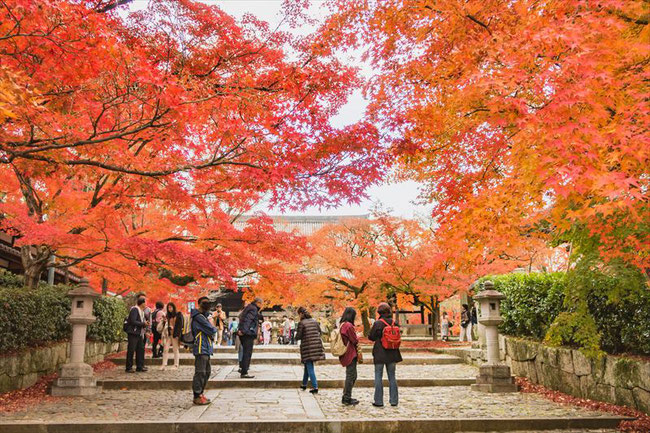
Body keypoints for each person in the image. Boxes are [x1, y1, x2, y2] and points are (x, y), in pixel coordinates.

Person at [368, 302, 402, 407]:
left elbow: (371, 337)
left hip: (380, 352)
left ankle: (379, 401)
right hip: (392, 352)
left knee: (378, 376)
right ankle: (394, 400)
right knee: (392, 377)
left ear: (379, 312)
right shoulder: (394, 322)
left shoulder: (378, 323)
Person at [191, 296, 218, 405]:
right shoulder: (198, 317)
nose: (207, 305)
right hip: (201, 346)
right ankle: (197, 395)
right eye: (204, 303)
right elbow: (211, 329)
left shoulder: (204, 316)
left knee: (207, 372)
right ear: (199, 304)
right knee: (200, 372)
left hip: (206, 347)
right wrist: (212, 325)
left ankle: (200, 393)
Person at [295, 307, 325, 393]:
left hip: (307, 347)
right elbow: (320, 332)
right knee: (307, 365)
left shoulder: (302, 323)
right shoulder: (314, 321)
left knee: (309, 366)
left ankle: (315, 386)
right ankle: (304, 384)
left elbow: (298, 336)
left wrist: (296, 336)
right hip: (316, 346)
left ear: (301, 314)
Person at [338, 307, 360, 406]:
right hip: (350, 353)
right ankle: (346, 398)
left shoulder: (342, 324)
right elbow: (354, 340)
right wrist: (358, 335)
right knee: (351, 375)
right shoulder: (349, 326)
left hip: (346, 353)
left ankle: (346, 395)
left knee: (352, 375)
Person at [238, 297, 263, 378]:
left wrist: (241, 330)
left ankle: (243, 369)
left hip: (245, 332)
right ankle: (244, 372)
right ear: (258, 303)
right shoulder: (253, 309)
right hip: (248, 334)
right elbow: (248, 320)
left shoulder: (248, 307)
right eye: (261, 304)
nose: (262, 306)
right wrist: (244, 331)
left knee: (245, 352)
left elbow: (242, 318)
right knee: (247, 352)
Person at [125, 295, 149, 373]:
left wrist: (145, 324)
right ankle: (128, 367)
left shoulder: (141, 311)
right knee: (131, 350)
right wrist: (143, 323)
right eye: (145, 302)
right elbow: (133, 321)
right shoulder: (135, 309)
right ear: (142, 303)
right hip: (133, 332)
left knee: (141, 350)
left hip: (139, 333)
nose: (146, 304)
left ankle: (140, 366)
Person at [160, 302, 183, 370]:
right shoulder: (167, 315)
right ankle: (164, 364)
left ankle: (176, 364)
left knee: (175, 349)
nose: (170, 309)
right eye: (168, 308)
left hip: (175, 335)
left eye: (171, 307)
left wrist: (177, 334)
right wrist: (164, 321)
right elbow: (165, 325)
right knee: (165, 349)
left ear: (174, 307)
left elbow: (180, 325)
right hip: (168, 334)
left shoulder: (178, 314)